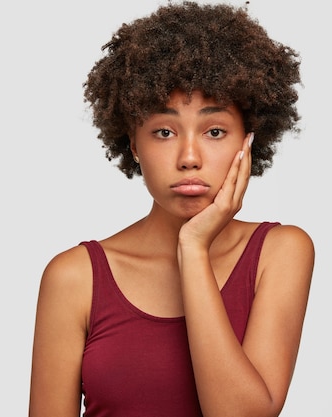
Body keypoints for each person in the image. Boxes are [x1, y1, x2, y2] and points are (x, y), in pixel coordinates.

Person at [28, 2, 315, 416]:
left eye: (215, 131)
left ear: (248, 141)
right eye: (164, 132)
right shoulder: (74, 277)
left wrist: (194, 247)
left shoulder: (280, 251)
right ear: (133, 143)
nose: (189, 157)